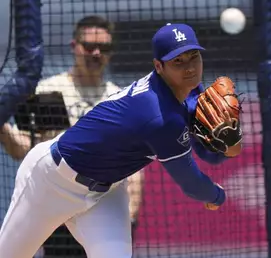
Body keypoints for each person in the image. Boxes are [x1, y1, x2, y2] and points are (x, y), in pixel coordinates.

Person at [0, 22, 239, 258]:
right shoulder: (159, 116)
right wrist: (217, 195)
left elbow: (207, 153)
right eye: (178, 61)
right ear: (159, 66)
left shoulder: (189, 90)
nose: (189, 68)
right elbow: (191, 183)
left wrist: (224, 146)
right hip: (51, 182)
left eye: (193, 56)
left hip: (107, 192)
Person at [0, 15, 144, 257]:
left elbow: (134, 170)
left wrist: (129, 215)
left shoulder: (120, 98)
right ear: (74, 46)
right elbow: (24, 150)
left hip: (102, 206)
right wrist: (3, 127)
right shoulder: (47, 91)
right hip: (57, 204)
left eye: (104, 48)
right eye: (89, 46)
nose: (96, 53)